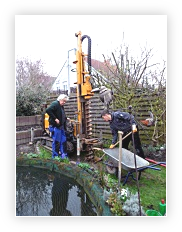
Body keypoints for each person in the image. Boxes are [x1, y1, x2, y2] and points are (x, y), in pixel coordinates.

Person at [46, 94, 69, 159]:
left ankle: (64, 156)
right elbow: (48, 110)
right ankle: (55, 156)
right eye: (63, 101)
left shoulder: (61, 106)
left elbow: (61, 114)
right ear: (60, 99)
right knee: (57, 141)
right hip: (55, 126)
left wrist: (66, 118)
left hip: (61, 127)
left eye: (65, 101)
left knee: (63, 141)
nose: (64, 102)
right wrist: (55, 119)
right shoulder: (55, 104)